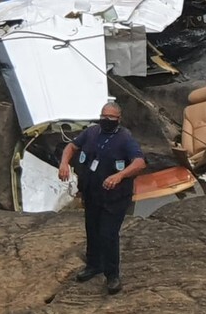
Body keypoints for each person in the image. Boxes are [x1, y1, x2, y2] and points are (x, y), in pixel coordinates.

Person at [58, 102, 146, 295]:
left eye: (110, 118)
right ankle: (93, 264)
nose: (105, 120)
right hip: (92, 193)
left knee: (108, 234)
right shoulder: (91, 132)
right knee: (92, 229)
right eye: (103, 116)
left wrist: (120, 176)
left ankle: (112, 274)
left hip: (114, 197)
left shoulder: (125, 138)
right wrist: (64, 163)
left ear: (118, 119)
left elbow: (140, 163)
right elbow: (71, 146)